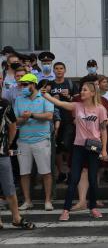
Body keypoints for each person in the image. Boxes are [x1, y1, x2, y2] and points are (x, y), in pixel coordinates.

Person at [41, 81, 108, 221]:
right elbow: (59, 104)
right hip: (78, 146)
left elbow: (103, 130)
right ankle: (66, 210)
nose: (82, 92)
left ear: (92, 93)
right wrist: (45, 94)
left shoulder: (100, 109)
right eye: (81, 90)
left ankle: (93, 208)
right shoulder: (76, 106)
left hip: (94, 146)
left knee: (92, 179)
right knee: (74, 178)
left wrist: (104, 151)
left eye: (84, 90)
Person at [14, 74, 54, 211]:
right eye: (21, 84)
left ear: (33, 84)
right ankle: (27, 201)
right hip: (23, 141)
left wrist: (31, 115)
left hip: (41, 140)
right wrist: (24, 119)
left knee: (45, 172)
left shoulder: (44, 97)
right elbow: (15, 120)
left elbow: (49, 116)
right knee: (24, 173)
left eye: (25, 85)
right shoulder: (18, 99)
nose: (22, 87)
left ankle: (48, 201)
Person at [0, 95, 35, 230]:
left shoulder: (4, 103)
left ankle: (16, 218)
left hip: (2, 152)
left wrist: (8, 144)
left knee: (9, 186)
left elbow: (12, 125)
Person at [50, 62, 78, 184]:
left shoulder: (70, 83)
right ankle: (61, 173)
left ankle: (71, 173)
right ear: (54, 70)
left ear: (65, 70)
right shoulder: (50, 84)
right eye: (56, 68)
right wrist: (52, 99)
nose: (59, 70)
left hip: (68, 120)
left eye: (61, 68)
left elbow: (77, 101)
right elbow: (44, 100)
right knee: (57, 148)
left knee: (68, 146)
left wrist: (69, 97)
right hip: (54, 119)